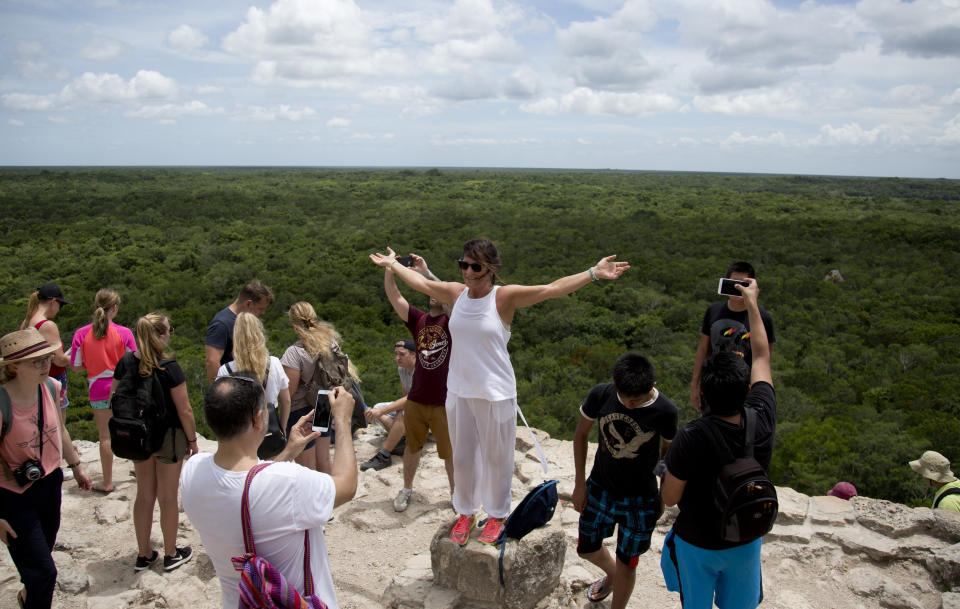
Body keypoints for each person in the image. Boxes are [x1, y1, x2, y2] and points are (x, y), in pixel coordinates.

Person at [370, 238, 629, 545]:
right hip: (459, 391)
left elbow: (552, 288)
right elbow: (418, 283)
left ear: (490, 269)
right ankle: (465, 512)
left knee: (497, 457)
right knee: (463, 456)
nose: (467, 271)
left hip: (495, 392)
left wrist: (593, 273)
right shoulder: (456, 293)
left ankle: (497, 514)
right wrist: (393, 265)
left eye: (475, 266)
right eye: (463, 264)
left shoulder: (504, 298)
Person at [180, 376, 358, 609]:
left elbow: (250, 484)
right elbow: (347, 485)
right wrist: (343, 421)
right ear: (257, 419)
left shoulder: (193, 470)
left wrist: (290, 451)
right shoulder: (286, 482)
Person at [660, 277, 774, 609]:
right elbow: (763, 356)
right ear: (748, 391)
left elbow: (669, 498)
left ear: (704, 394)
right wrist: (752, 303)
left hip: (699, 541)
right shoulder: (762, 414)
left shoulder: (691, 436)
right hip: (745, 538)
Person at [572, 352, 678, 608]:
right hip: (600, 486)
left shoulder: (665, 410)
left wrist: (662, 495)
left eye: (637, 401)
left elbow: (667, 453)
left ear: (651, 386)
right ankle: (612, 575)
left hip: (641, 498)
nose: (629, 405)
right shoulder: (602, 394)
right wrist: (579, 484)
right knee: (586, 548)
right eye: (625, 398)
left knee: (628, 562)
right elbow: (581, 435)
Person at [0, 328, 92, 609]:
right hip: (13, 497)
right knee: (45, 573)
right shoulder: (3, 403)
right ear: (14, 366)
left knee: (40, 559)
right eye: (35, 361)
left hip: (50, 482)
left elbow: (59, 429)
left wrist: (76, 466)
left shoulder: (51, 386)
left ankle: (28, 596)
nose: (44, 365)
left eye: (46, 358)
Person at [112, 313, 199, 572]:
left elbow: (113, 396)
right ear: (161, 335)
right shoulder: (169, 367)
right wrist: (193, 440)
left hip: (137, 437)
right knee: (168, 497)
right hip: (168, 437)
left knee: (144, 495)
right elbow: (185, 410)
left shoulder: (126, 362)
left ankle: (144, 553)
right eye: (168, 329)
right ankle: (171, 554)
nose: (170, 333)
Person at [378, 253, 454, 512]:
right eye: (431, 291)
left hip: (445, 401)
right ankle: (407, 488)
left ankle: (457, 496)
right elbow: (395, 296)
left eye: (439, 291)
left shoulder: (454, 322)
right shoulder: (420, 320)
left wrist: (429, 275)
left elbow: (456, 298)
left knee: (449, 453)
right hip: (418, 398)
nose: (434, 294)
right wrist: (391, 268)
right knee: (412, 447)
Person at [69, 289, 137, 493]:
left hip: (98, 389)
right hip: (123, 387)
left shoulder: (81, 334)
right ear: (114, 308)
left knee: (105, 436)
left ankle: (107, 482)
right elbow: (134, 361)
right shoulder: (124, 333)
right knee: (131, 429)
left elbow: (75, 366)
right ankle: (137, 468)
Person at [281, 301, 361, 474]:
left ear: (293, 323)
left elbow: (290, 391)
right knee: (324, 458)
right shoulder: (330, 343)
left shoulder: (294, 353)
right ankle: (328, 494)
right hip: (323, 402)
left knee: (306, 465)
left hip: (301, 410)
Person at [689, 262, 775, 411]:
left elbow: (763, 358)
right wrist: (695, 385)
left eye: (743, 284)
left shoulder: (763, 319)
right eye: (733, 283)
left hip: (745, 391)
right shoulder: (713, 311)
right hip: (714, 387)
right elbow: (703, 349)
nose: (737, 288)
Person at [216, 312, 290, 434]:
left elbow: (220, 408)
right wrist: (282, 429)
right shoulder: (274, 363)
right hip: (269, 430)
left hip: (239, 432)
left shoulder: (226, 370)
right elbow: (286, 401)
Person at [20, 284, 72, 440]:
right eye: (60, 305)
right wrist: (80, 358)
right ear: (52, 302)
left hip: (30, 380)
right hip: (52, 378)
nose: (58, 309)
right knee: (58, 425)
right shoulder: (47, 325)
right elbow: (59, 360)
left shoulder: (26, 322)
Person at [359, 338, 416, 472]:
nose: (397, 358)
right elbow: (405, 395)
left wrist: (388, 411)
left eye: (402, 354)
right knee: (378, 407)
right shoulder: (402, 369)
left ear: (414, 354)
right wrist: (393, 410)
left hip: (429, 410)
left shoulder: (422, 371)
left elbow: (412, 397)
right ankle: (401, 438)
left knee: (397, 413)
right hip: (411, 405)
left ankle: (384, 454)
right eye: (396, 354)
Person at [205, 280, 274, 383]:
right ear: (248, 303)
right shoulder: (221, 324)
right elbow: (212, 361)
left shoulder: (249, 321)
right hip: (231, 390)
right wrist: (221, 391)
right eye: (260, 308)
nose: (262, 313)